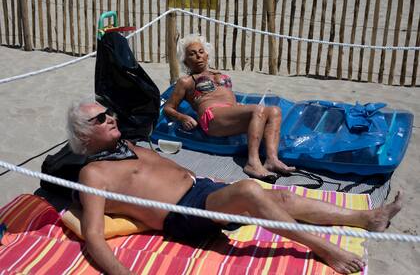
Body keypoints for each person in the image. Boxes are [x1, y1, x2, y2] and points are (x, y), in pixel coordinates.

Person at [67, 100, 402, 275]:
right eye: (99, 119)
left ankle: (365, 218)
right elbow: (94, 235)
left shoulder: (128, 143)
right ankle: (325, 248)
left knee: (280, 196)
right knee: (249, 190)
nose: (110, 118)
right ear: (83, 136)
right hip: (184, 215)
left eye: (108, 113)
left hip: (203, 191)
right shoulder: (95, 174)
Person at [163, 34, 295, 182]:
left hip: (228, 114)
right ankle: (252, 163)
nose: (198, 56)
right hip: (212, 118)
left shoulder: (219, 74)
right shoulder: (186, 81)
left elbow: (227, 97)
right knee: (258, 109)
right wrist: (183, 117)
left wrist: (238, 107)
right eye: (192, 54)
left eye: (201, 52)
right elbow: (168, 108)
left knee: (275, 111)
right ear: (186, 61)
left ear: (207, 55)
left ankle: (271, 159)